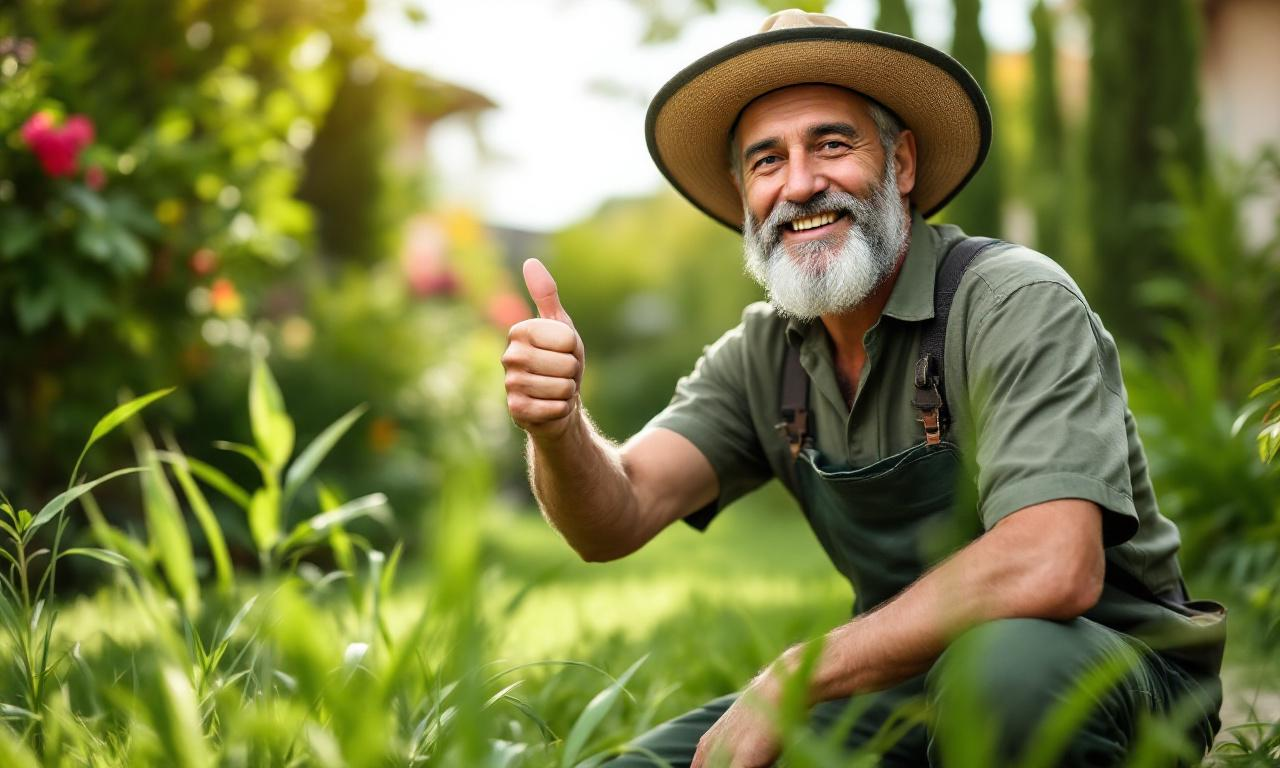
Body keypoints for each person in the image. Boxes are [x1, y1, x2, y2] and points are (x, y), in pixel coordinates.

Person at [501, 9, 1225, 768]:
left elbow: (1053, 562)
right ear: (744, 193)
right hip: (904, 686)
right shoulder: (763, 353)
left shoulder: (1011, 301)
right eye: (766, 161)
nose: (802, 184)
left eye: (832, 144)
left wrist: (797, 677)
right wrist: (558, 426)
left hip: (1106, 674)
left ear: (902, 163)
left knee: (1004, 675)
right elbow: (612, 518)